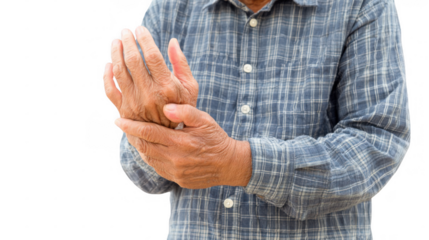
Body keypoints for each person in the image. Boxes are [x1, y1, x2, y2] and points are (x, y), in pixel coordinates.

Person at [103, 0, 411, 239]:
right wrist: (157, 132)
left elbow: (378, 146)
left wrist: (239, 163)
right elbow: (144, 178)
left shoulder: (362, 5)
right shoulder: (170, 7)